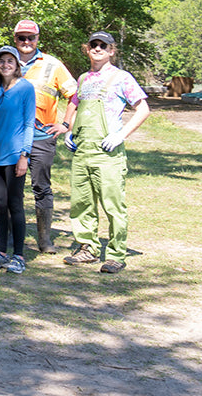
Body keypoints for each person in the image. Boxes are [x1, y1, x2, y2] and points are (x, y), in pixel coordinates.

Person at [62, 32, 150, 274]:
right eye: (93, 45)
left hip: (107, 153)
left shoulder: (122, 78)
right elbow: (75, 103)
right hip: (83, 153)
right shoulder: (83, 79)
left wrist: (121, 135)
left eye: (103, 45)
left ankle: (115, 254)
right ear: (87, 49)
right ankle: (87, 248)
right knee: (81, 204)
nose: (98, 48)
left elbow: (143, 109)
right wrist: (68, 130)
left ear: (112, 50)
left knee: (113, 205)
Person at [13, 19, 78, 254]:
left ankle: (44, 239)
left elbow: (75, 95)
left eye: (31, 38)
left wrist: (66, 124)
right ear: (15, 39)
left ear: (38, 39)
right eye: (22, 38)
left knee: (41, 187)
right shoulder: (6, 61)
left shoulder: (52, 64)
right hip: (13, 135)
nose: (26, 42)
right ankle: (14, 235)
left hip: (42, 134)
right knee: (13, 186)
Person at [0, 46, 35, 274]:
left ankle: (18, 256)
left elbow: (29, 123)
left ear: (17, 64)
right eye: (1, 61)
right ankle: (1, 252)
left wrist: (25, 155)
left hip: (15, 157)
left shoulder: (25, 88)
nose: (5, 65)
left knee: (15, 204)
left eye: (10, 60)